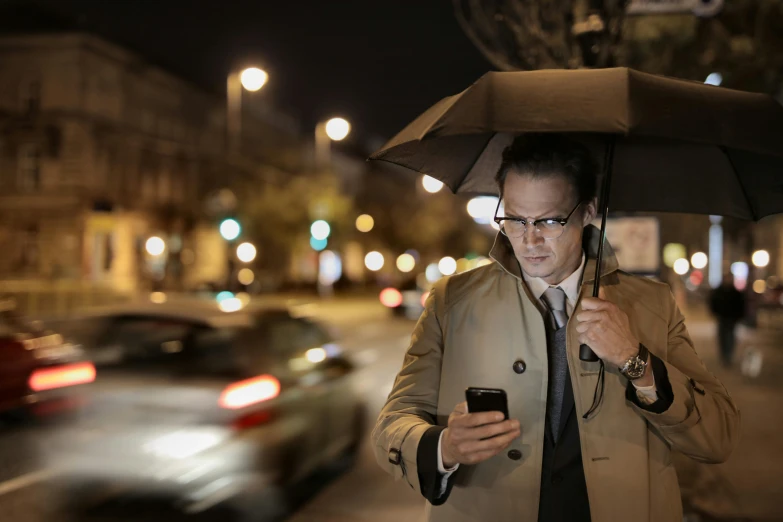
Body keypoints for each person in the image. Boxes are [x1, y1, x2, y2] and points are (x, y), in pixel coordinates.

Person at [371, 134, 740, 522]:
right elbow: (392, 426)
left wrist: (638, 362)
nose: (529, 240)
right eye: (514, 218)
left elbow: (717, 438)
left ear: (588, 211)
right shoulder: (453, 301)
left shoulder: (652, 304)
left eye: (549, 220)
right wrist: (445, 446)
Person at [708, 274, 746, 367]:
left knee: (730, 337)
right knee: (722, 337)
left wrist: (739, 316)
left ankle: (728, 355)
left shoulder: (736, 293)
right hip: (722, 317)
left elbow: (741, 305)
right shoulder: (718, 292)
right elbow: (713, 302)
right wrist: (715, 312)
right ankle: (724, 354)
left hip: (732, 319)